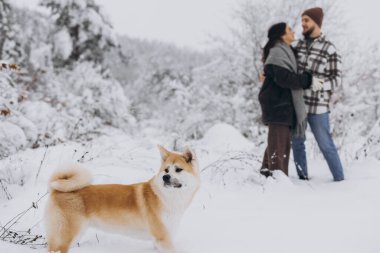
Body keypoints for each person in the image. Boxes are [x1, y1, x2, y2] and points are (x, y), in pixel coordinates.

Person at [292, 7, 345, 181]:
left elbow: (336, 79)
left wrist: (316, 83)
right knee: (298, 144)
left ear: (316, 22)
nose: (303, 24)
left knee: (326, 145)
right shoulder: (298, 46)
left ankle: (340, 180)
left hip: (318, 106)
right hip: (298, 104)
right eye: (302, 21)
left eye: (306, 20)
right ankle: (302, 180)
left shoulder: (329, 48)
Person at [259, 22, 312, 177]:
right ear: (282, 34)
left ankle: (266, 175)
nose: (293, 32)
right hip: (277, 104)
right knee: (279, 146)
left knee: (277, 143)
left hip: (282, 105)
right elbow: (284, 78)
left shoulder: (285, 51)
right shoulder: (277, 52)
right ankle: (277, 180)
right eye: (289, 29)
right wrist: (306, 80)